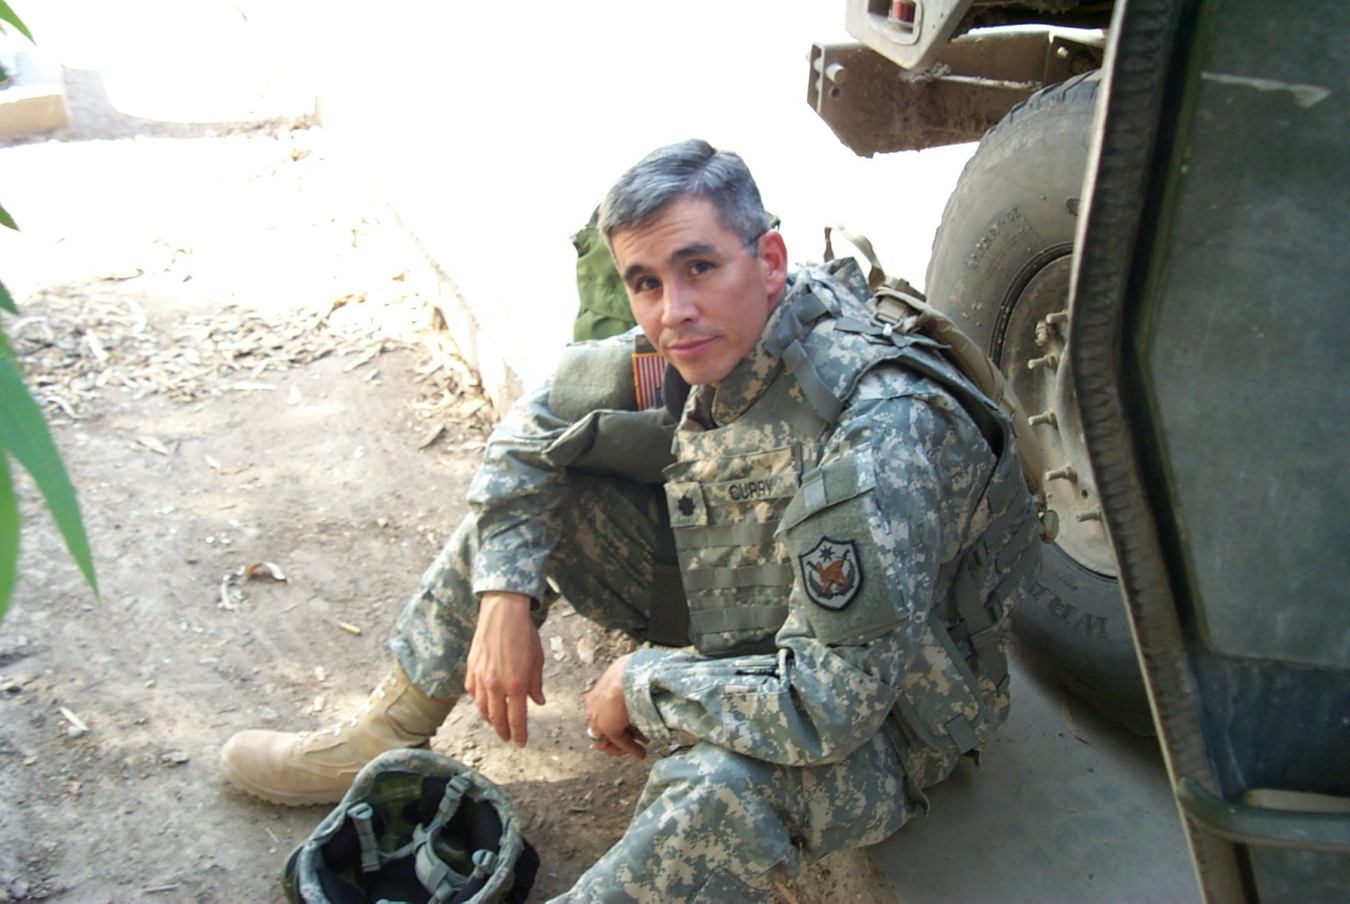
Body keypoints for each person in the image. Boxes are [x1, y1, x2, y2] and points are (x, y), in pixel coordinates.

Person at [220, 139, 1042, 901]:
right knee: (540, 506)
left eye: (697, 267)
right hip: (761, 621)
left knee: (719, 789)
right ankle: (387, 728)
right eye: (645, 281)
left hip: (891, 710)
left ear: (770, 262)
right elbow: (531, 432)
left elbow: (829, 707)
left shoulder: (879, 427)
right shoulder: (694, 340)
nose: (670, 309)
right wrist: (505, 595)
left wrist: (646, 684)